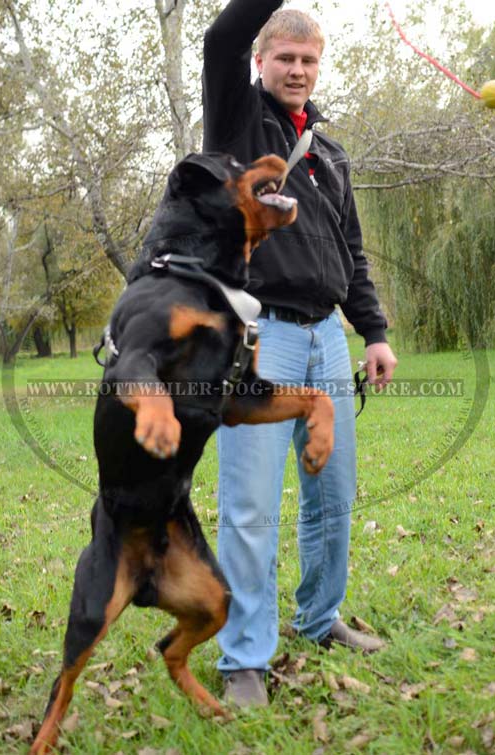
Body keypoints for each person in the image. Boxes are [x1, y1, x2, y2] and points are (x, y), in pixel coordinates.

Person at [202, 0, 398, 707]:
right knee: (250, 506)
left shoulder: (328, 150)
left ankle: (319, 618)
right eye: (285, 57)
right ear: (261, 62)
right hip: (260, 339)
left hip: (326, 337)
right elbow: (221, 32)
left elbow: (351, 252)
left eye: (308, 60)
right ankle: (245, 658)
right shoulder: (236, 121)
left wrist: (372, 332)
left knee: (332, 494)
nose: (297, 70)